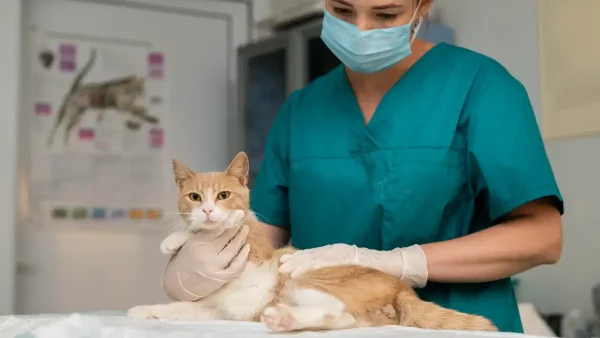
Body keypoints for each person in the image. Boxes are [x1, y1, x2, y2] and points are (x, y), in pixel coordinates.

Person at [162, 0, 564, 333]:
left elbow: (543, 237)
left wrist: (399, 263)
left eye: (385, 14)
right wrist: (198, 264)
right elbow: (259, 235)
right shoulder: (301, 110)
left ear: (422, 5)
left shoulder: (482, 86)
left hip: (451, 325)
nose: (362, 30)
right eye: (342, 10)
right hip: (321, 322)